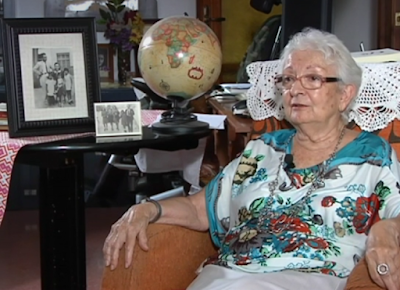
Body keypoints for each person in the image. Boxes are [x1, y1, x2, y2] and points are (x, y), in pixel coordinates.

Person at [103, 28, 400, 290]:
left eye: (312, 78)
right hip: (227, 276)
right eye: (288, 79)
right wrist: (145, 210)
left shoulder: (372, 156)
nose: (295, 89)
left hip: (311, 277)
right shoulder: (262, 149)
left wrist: (385, 228)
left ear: (345, 95)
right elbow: (198, 209)